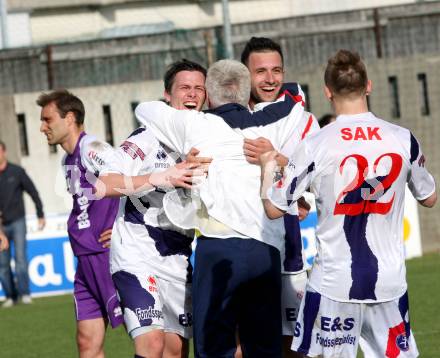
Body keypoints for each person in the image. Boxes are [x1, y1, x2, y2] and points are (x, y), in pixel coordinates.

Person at [260, 49, 437, 357]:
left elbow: (274, 208)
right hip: (388, 283)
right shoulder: (402, 138)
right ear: (368, 86)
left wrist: (267, 166)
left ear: (327, 91)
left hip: (333, 284)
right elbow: (430, 198)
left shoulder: (316, 143)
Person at [135, 59, 307, 358]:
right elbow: (295, 95)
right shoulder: (273, 123)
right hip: (267, 250)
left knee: (215, 347)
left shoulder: (195, 124)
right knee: (264, 348)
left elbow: (144, 109)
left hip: (219, 249)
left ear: (209, 97)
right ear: (245, 93)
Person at [97, 59, 208, 358]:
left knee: (175, 350)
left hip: (179, 258)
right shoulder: (145, 138)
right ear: (167, 96)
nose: (192, 94)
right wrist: (158, 178)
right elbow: (105, 183)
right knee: (152, 342)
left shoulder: (209, 140)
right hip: (136, 254)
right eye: (184, 87)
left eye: (199, 88)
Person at [240, 36, 319, 357]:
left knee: (296, 345)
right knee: (239, 344)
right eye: (261, 71)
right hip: (238, 247)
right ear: (244, 75)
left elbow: (319, 171)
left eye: (277, 70)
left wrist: (277, 158)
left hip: (285, 249)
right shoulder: (222, 116)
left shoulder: (299, 118)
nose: (270, 79)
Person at [38, 90, 124, 357]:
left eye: (47, 120)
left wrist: (123, 227)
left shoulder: (92, 149)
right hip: (85, 262)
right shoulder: (68, 159)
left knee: (145, 335)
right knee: (87, 344)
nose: (42, 128)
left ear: (70, 118)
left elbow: (127, 179)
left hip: (106, 258)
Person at [0, 140, 45, 307]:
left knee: (20, 259)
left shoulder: (17, 172)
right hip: (1, 226)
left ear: (4, 152)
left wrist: (40, 213)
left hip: (18, 221)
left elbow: (33, 192)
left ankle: (25, 293)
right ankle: (11, 297)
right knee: (3, 264)